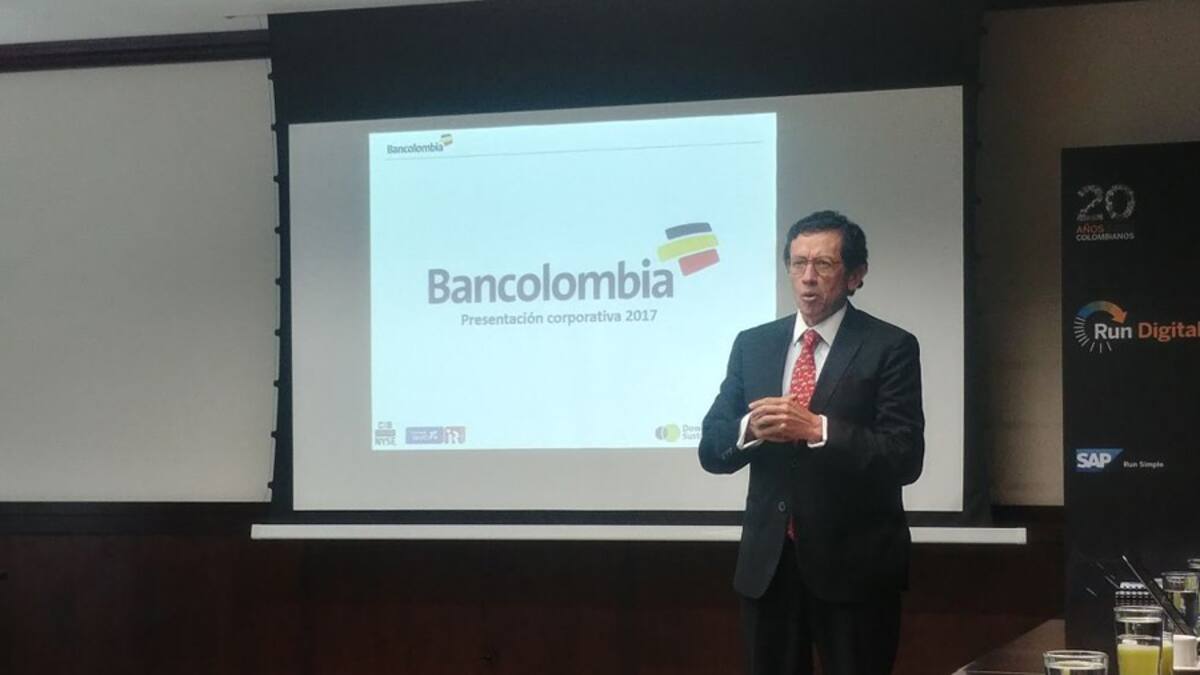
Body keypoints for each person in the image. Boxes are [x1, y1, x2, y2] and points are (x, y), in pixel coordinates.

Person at [699, 210, 924, 675]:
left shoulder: (890, 346)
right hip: (769, 568)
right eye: (798, 263)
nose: (807, 277)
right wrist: (750, 429)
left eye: (823, 264)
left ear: (855, 276)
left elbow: (904, 457)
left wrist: (818, 429)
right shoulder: (753, 345)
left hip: (855, 571)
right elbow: (712, 447)